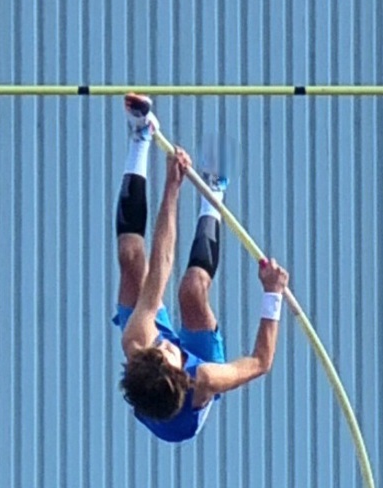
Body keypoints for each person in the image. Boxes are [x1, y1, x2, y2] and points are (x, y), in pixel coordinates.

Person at [113, 93, 289, 444]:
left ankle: (141, 134)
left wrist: (172, 187)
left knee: (132, 258)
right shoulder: (204, 378)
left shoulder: (138, 342)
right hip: (181, 396)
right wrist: (273, 293)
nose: (169, 345)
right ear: (183, 374)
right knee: (192, 289)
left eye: (161, 347)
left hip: (153, 382)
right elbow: (260, 362)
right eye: (170, 351)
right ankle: (215, 191)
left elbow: (160, 268)